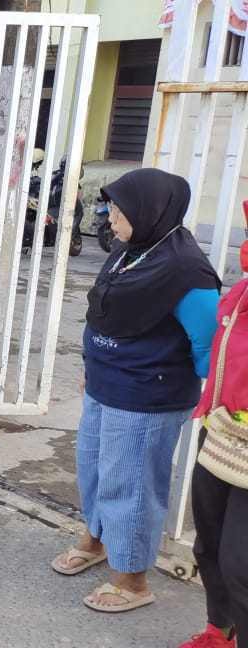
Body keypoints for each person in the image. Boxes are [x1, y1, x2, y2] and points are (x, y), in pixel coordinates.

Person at [50, 168, 222, 613]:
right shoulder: (132, 249)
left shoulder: (188, 272)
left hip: (149, 394)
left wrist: (217, 404)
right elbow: (103, 312)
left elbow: (207, 346)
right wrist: (94, 364)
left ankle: (132, 580)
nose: (111, 219)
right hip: (107, 384)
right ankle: (98, 540)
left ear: (150, 211)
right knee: (93, 469)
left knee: (132, 484)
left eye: (120, 211)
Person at [177, 247, 248, 648]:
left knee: (242, 563)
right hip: (223, 430)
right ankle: (219, 630)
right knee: (210, 543)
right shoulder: (240, 292)